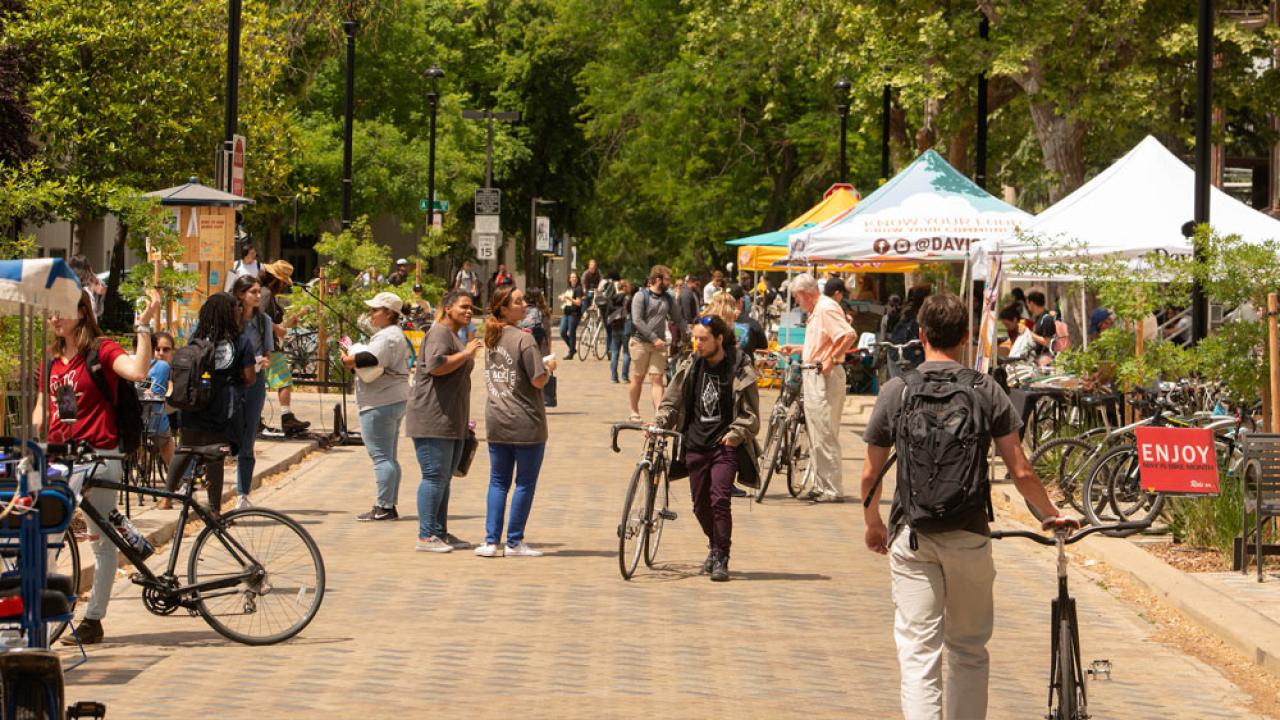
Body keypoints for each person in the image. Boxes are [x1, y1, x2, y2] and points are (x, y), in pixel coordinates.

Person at [860, 292, 1064, 720]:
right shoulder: (985, 389)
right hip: (969, 532)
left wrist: (873, 523)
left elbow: (869, 475)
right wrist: (1050, 514)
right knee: (969, 648)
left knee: (918, 650)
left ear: (920, 335)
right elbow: (1021, 470)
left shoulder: (897, 391)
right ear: (967, 337)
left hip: (912, 535)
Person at [36, 289, 161, 645]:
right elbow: (43, 411)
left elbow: (137, 371)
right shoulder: (52, 360)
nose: (54, 319)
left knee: (100, 542)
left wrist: (144, 326)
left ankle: (93, 619)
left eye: (61, 312)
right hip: (61, 459)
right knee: (46, 540)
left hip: (99, 457)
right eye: (50, 314)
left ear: (81, 312)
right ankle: (50, 612)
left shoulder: (101, 350)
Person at [655, 314, 760, 582]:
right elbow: (672, 401)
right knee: (700, 506)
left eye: (703, 339)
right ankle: (714, 546)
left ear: (719, 339)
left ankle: (722, 556)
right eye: (695, 338)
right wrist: (659, 422)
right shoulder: (690, 365)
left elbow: (751, 415)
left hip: (724, 445)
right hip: (694, 444)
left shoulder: (738, 368)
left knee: (720, 500)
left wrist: (736, 434)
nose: (697, 344)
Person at [478, 286, 557, 557]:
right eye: (518, 301)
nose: (524, 305)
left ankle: (490, 541)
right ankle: (513, 541)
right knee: (524, 482)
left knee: (498, 481)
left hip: (497, 418)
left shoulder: (491, 336)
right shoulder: (524, 340)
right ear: (503, 308)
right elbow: (537, 380)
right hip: (525, 421)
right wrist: (549, 368)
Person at [407, 290, 483, 553]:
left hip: (451, 420)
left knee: (444, 479)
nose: (469, 311)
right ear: (447, 308)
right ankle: (426, 536)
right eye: (463, 307)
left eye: (471, 307)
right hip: (432, 418)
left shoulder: (455, 336)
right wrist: (467, 353)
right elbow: (436, 366)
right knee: (433, 477)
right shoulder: (439, 332)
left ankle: (439, 532)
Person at [777, 273, 855, 502]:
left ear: (806, 294)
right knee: (817, 433)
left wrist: (830, 360)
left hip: (823, 378)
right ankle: (822, 485)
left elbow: (848, 335)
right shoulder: (818, 310)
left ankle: (831, 489)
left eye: (797, 298)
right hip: (815, 374)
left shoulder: (825, 308)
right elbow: (825, 340)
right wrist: (801, 348)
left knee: (824, 433)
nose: (797, 303)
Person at [178, 292, 256, 514]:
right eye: (236, 308)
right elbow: (250, 378)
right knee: (215, 460)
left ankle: (171, 497)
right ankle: (214, 511)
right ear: (229, 313)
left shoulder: (196, 339)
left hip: (193, 405)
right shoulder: (241, 342)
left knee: (185, 450)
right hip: (222, 409)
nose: (240, 311)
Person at [344, 292, 411, 521]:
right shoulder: (393, 334)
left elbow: (370, 360)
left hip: (379, 402)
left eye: (375, 310)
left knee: (381, 457)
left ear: (389, 313)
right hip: (394, 399)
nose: (371, 314)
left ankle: (384, 507)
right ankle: (388, 504)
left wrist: (348, 360)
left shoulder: (386, 337)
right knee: (389, 457)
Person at [231, 274, 273, 509]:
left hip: (254, 380)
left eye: (259, 291)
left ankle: (242, 493)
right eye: (253, 292)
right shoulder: (230, 319)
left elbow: (268, 354)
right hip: (231, 381)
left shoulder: (263, 321)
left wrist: (263, 362)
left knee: (248, 438)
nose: (258, 296)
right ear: (240, 294)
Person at [258, 260, 311, 435]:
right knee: (284, 381)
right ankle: (286, 417)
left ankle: (257, 420)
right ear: (277, 280)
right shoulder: (266, 294)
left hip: (266, 345)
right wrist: (278, 328)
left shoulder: (265, 293)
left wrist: (285, 325)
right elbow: (261, 318)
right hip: (268, 346)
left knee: (260, 384)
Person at [628, 265, 674, 422]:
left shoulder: (668, 298)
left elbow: (678, 317)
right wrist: (654, 338)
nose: (670, 282)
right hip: (640, 343)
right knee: (638, 377)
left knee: (657, 378)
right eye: (667, 279)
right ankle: (634, 410)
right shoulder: (641, 296)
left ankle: (658, 414)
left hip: (658, 346)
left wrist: (688, 331)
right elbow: (637, 320)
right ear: (658, 279)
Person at [607, 279, 633, 383]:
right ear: (625, 287)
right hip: (626, 326)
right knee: (626, 353)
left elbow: (608, 313)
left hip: (615, 326)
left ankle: (613, 377)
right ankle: (625, 377)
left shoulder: (612, 298)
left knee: (615, 352)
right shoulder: (628, 299)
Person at [559, 271, 584, 360]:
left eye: (575, 277)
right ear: (569, 279)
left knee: (571, 332)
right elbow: (567, 298)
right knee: (562, 332)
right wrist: (563, 297)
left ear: (577, 279)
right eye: (571, 277)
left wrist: (569, 298)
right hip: (566, 312)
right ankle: (572, 349)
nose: (573, 279)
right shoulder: (569, 287)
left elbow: (578, 302)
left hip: (574, 313)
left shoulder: (578, 289)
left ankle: (571, 353)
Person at [1025, 290, 1057, 358]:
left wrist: (1028, 333)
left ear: (1031, 303)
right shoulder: (1038, 317)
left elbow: (1048, 343)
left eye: (1027, 303)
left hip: (1044, 359)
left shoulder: (1046, 319)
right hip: (1037, 356)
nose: (1027, 306)